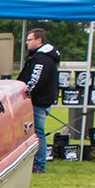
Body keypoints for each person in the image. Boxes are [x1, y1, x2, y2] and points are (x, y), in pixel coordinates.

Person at [17, 28, 60, 173]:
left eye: (30, 40)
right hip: (41, 100)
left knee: (38, 132)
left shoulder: (42, 59)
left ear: (39, 40)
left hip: (38, 102)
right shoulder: (41, 57)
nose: (27, 43)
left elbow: (35, 80)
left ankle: (39, 165)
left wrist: (25, 94)